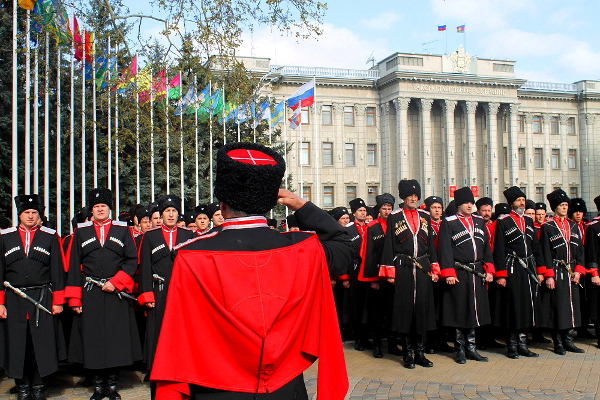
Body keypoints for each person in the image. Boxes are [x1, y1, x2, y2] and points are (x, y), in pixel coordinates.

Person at [150, 142, 350, 400]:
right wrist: (303, 206)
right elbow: (344, 245)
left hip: (215, 386)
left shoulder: (190, 256)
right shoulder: (303, 249)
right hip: (285, 388)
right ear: (270, 203)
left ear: (222, 204)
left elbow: (175, 338)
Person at [65, 188, 142, 400]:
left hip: (115, 293)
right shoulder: (81, 232)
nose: (100, 209)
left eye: (104, 206)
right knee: (94, 339)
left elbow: (131, 260)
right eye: (96, 207)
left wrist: (116, 282)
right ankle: (98, 386)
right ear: (91, 210)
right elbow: (73, 266)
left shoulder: (122, 230)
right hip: (91, 293)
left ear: (110, 208)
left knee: (115, 339)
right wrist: (75, 298)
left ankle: (112, 385)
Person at [0, 195, 66, 400]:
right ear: (19, 214)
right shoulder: (5, 237)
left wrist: (58, 301)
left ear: (39, 215)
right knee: (18, 345)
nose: (30, 216)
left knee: (40, 344)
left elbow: (57, 270)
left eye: (34, 212)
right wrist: (0, 303)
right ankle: (22, 387)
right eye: (26, 212)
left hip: (42, 297)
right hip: (13, 299)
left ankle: (39, 386)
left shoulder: (50, 236)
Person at [137, 195, 195, 399]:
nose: (170, 215)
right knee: (157, 333)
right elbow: (145, 267)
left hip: (181, 294)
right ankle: (156, 372)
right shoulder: (150, 237)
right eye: (167, 211)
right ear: (161, 215)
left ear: (178, 214)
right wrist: (147, 295)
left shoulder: (188, 235)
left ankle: (181, 372)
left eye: (174, 211)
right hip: (159, 292)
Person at [379, 179, 439, 369]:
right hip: (403, 266)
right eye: (409, 196)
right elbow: (389, 245)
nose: (413, 199)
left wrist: (434, 268)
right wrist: (389, 271)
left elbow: (430, 245)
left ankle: (420, 352)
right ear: (403, 197)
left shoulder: (425, 216)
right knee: (405, 312)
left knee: (422, 310)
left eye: (415, 196)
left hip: (422, 267)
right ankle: (407, 353)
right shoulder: (394, 217)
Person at [438, 187, 494, 364]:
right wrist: (448, 272)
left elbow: (486, 248)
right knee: (459, 310)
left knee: (474, 311)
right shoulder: (449, 222)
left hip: (477, 271)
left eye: (471, 202)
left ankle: (471, 348)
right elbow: (444, 249)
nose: (469, 205)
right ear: (458, 204)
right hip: (459, 272)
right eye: (466, 203)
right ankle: (460, 349)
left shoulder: (479, 221)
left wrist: (489, 269)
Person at [493, 187, 545, 359]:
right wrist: (501, 274)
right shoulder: (503, 221)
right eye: (518, 200)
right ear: (511, 203)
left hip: (528, 268)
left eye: (523, 200)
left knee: (527, 306)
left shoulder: (529, 221)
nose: (522, 203)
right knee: (513, 306)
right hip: (512, 267)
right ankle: (512, 346)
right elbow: (499, 249)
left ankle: (523, 344)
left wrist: (541, 270)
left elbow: (535, 247)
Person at [539, 189, 586, 355]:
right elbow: (545, 252)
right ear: (555, 207)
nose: (565, 208)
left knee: (572, 307)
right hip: (556, 270)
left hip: (571, 272)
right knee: (558, 307)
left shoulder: (573, 226)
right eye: (561, 205)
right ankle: (558, 342)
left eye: (566, 204)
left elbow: (580, 251)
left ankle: (568, 340)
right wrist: (549, 276)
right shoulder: (547, 227)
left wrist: (578, 271)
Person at [363, 193, 397, 358]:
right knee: (377, 313)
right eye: (384, 208)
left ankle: (392, 343)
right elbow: (368, 254)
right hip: (378, 276)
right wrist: (373, 279)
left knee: (393, 312)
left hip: (394, 277)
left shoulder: (397, 225)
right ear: (379, 209)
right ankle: (376, 345)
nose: (387, 211)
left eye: (389, 208)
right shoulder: (372, 227)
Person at [347, 197, 375, 352]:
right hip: (355, 270)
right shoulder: (348, 230)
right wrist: (344, 277)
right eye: (360, 211)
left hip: (369, 270)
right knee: (356, 306)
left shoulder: (371, 227)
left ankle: (367, 337)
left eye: (364, 210)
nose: (363, 213)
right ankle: (358, 338)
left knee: (368, 305)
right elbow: (345, 254)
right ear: (354, 213)